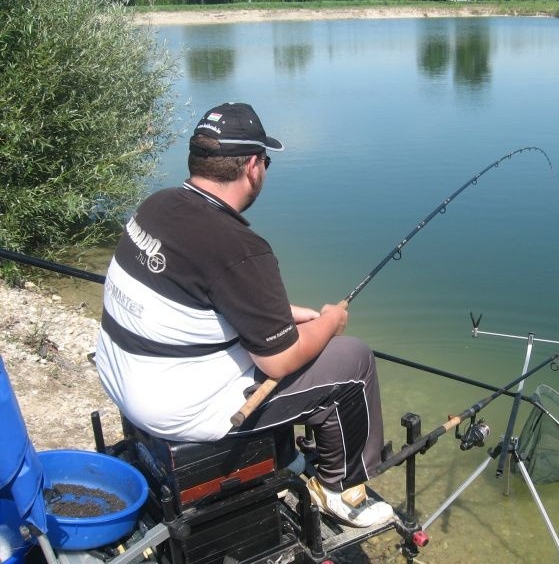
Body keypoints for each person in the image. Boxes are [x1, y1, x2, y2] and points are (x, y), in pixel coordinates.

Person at [95, 102, 393, 528]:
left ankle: (286, 457)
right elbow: (278, 360)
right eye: (266, 161)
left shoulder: (158, 206)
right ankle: (340, 491)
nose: (265, 171)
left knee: (297, 342)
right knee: (353, 360)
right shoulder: (238, 246)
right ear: (252, 166)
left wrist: (279, 314)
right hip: (172, 407)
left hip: (121, 377)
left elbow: (198, 288)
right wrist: (330, 322)